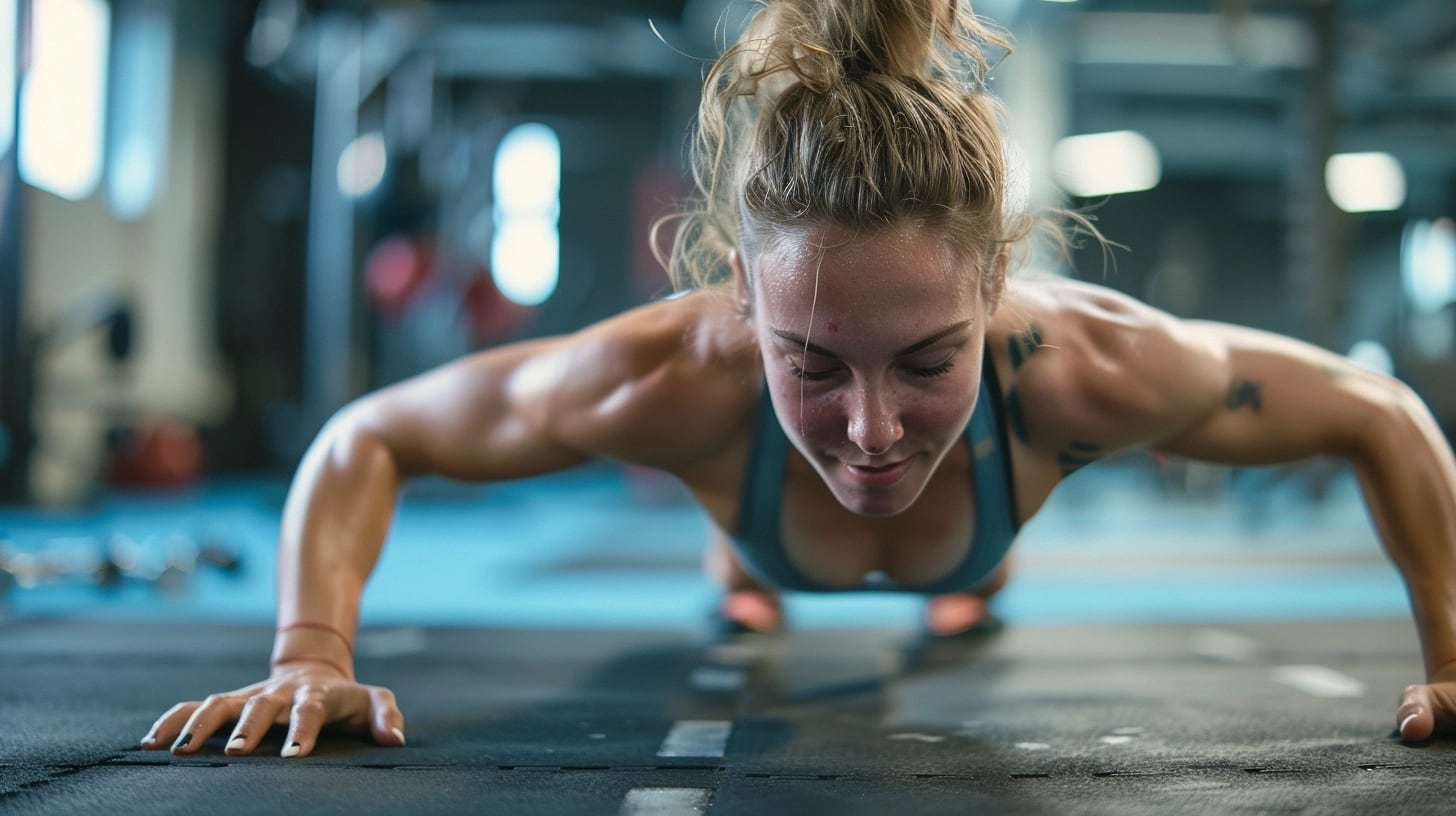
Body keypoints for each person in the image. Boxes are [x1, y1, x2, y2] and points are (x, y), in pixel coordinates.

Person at [142, 0, 1456, 759]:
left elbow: (1380, 413)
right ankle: (753, 567)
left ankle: (941, 570)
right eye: (811, 361)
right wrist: (306, 654)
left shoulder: (1086, 368)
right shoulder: (670, 377)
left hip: (973, 520)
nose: (874, 423)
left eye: (929, 360)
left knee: (942, 546)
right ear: (742, 298)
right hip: (769, 516)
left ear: (996, 294)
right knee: (788, 531)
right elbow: (367, 437)